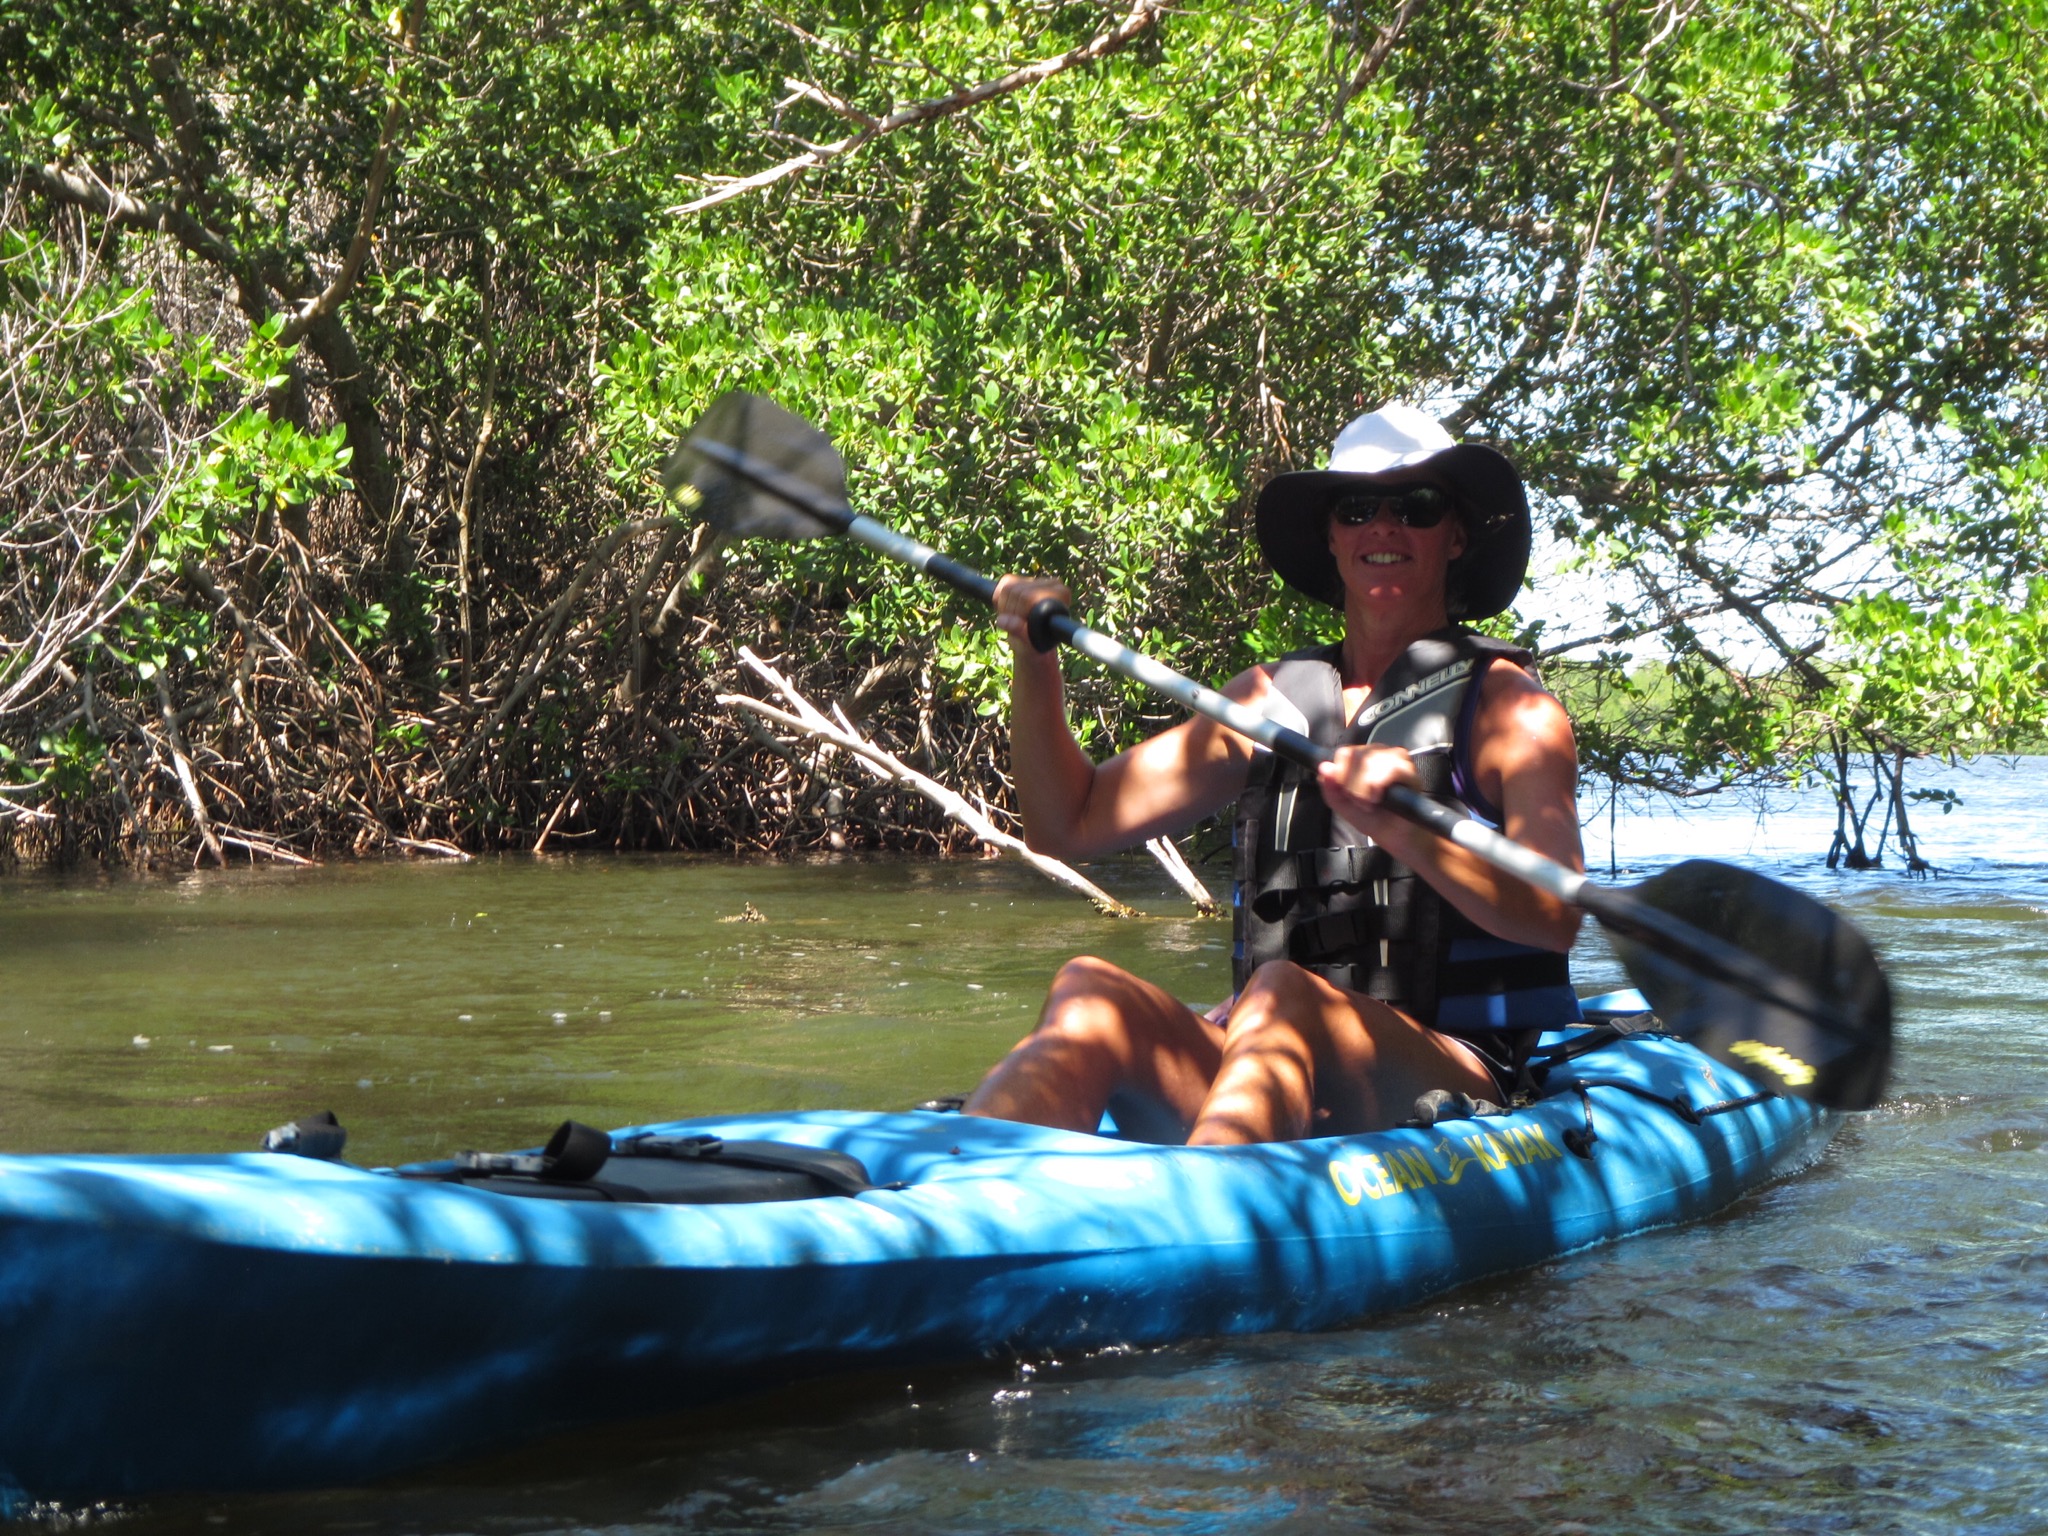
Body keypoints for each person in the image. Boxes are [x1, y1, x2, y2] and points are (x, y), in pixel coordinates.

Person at [960, 403, 1586, 1145]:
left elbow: (1556, 916)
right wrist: (1036, 665)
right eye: (1357, 508)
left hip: (1451, 1071)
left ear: (1455, 536)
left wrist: (1407, 829)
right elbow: (1067, 823)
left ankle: (1211, 1197)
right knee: (1089, 989)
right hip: (1275, 1047)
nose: (1384, 527)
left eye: (1416, 506)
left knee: (1284, 995)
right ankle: (949, 1189)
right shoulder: (1265, 703)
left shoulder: (1512, 710)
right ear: (1332, 534)